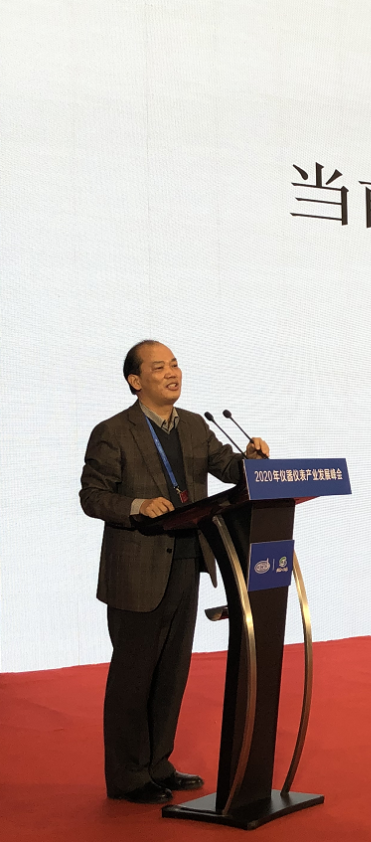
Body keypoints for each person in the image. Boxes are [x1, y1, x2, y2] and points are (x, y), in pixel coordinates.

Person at [80, 340, 269, 804]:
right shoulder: (113, 431)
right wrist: (136, 505)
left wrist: (251, 459)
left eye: (175, 364)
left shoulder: (194, 426)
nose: (172, 373)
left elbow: (228, 468)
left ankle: (158, 764)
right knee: (134, 677)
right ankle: (127, 777)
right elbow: (93, 496)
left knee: (171, 673)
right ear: (135, 380)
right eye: (159, 367)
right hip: (137, 570)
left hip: (188, 561)